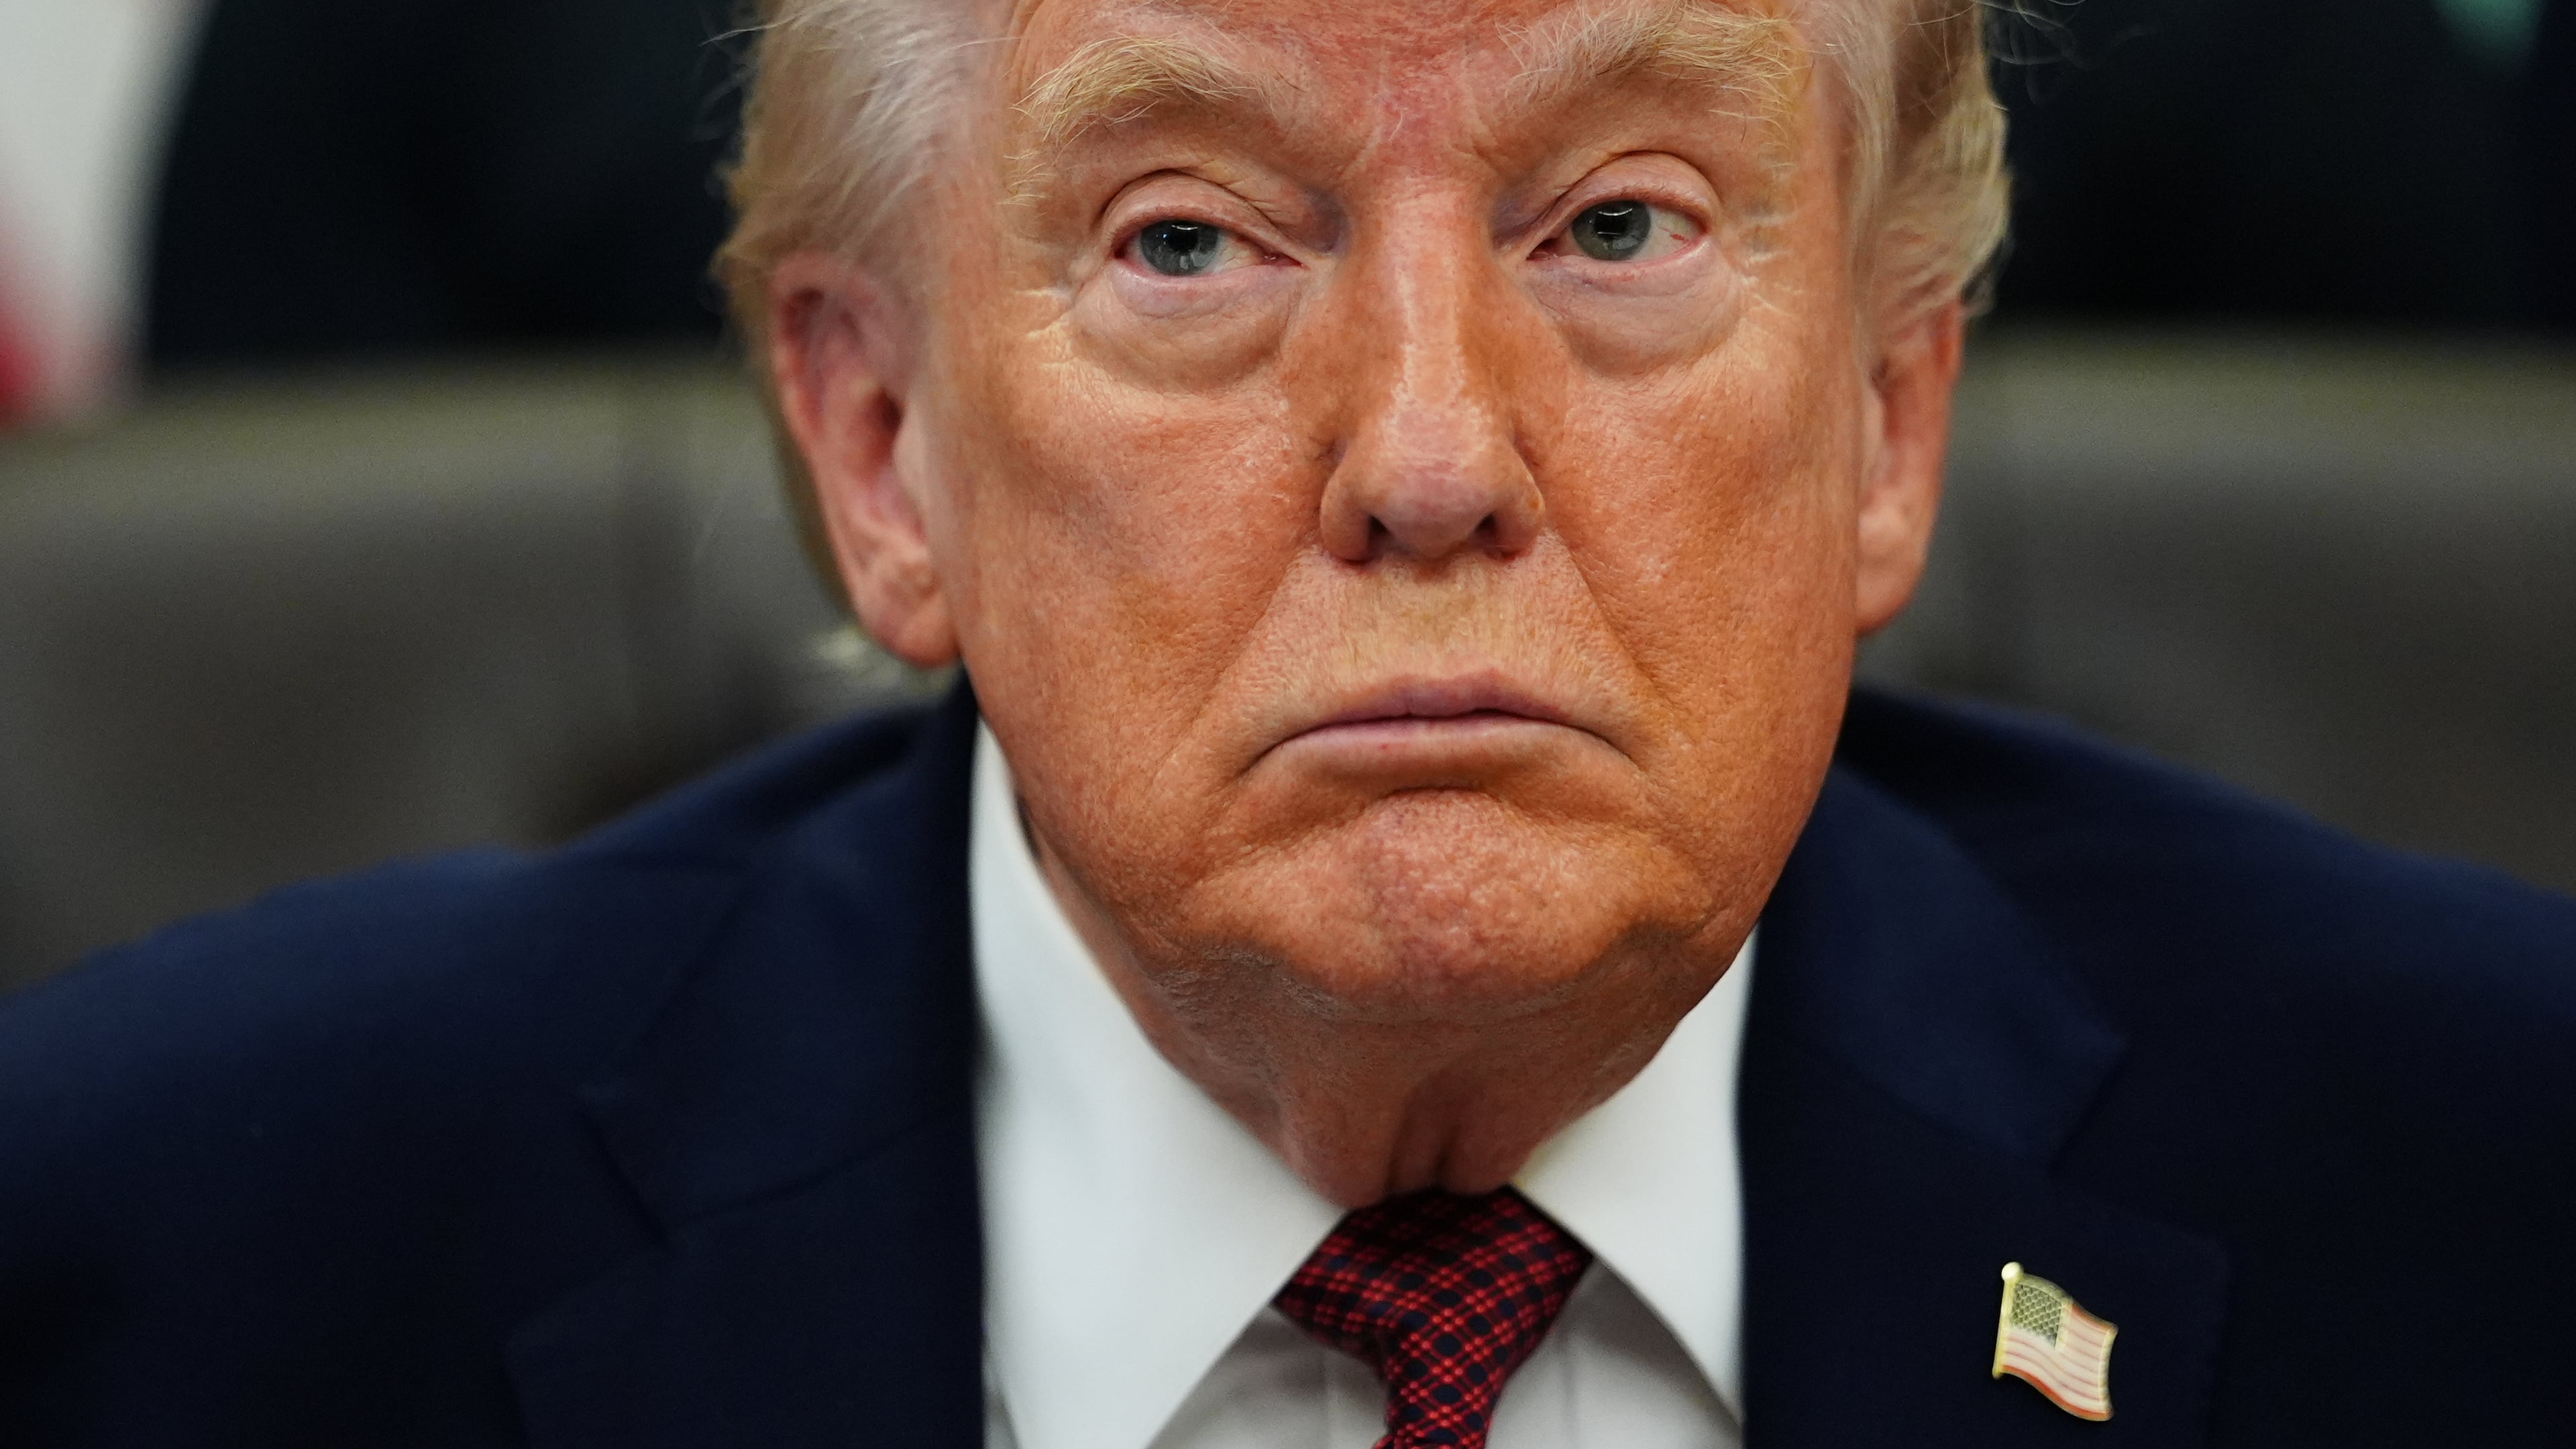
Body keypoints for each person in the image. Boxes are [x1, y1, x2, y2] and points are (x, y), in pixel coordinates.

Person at [5, 1, 2572, 1445]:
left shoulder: (2496, 1206)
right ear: (883, 448)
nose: (1433, 456)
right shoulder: (155, 1273)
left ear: (1891, 417)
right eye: (1192, 240)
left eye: (1624, 225)